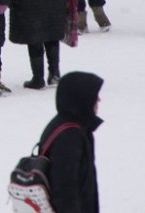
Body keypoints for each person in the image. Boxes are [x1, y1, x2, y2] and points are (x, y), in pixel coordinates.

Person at [39, 71, 104, 213]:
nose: (98, 100)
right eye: (94, 96)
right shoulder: (69, 136)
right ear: (82, 99)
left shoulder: (72, 126)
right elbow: (64, 188)